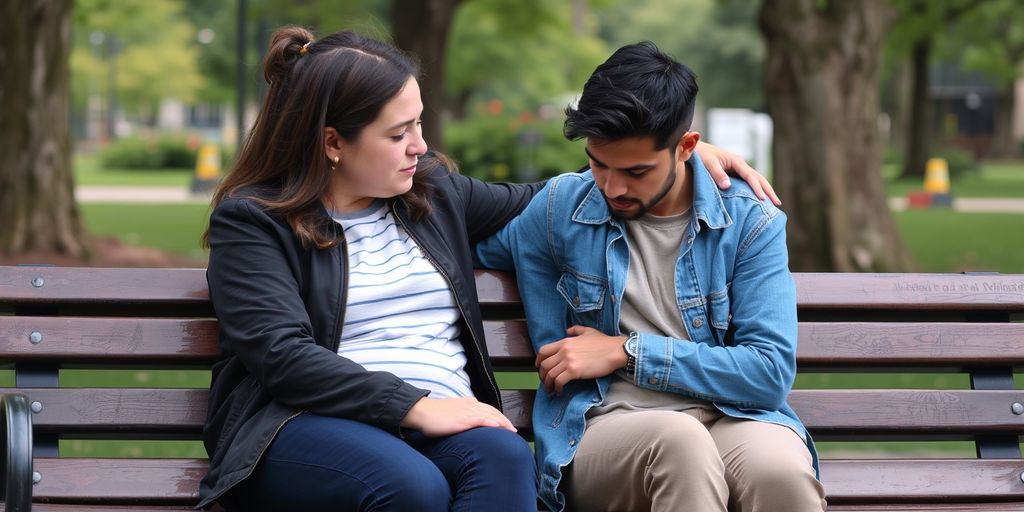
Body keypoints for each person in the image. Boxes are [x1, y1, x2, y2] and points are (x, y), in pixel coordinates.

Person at [197, 25, 774, 511]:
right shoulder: (254, 222)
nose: (419, 146)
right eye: (398, 134)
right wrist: (417, 406)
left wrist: (682, 162)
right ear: (333, 143)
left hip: (441, 420)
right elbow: (282, 355)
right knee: (411, 486)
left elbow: (557, 201)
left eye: (419, 124)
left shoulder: (433, 196)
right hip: (300, 422)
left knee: (502, 457)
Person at [475, 42, 827, 512]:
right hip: (602, 425)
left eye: (636, 171)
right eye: (598, 164)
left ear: (686, 147)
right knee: (679, 441)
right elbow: (452, 236)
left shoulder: (749, 221)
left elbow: (767, 374)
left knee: (780, 470)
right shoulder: (561, 209)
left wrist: (625, 351)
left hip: (732, 415)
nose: (613, 188)